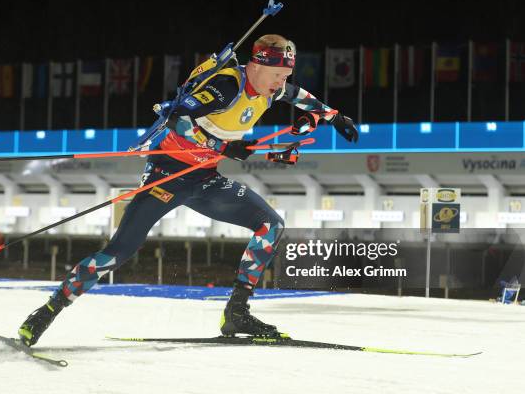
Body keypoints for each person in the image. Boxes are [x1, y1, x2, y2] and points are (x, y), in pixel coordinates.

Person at [18, 34, 358, 346]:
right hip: (167, 176)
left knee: (272, 225)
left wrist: (334, 116)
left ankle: (236, 314)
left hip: (204, 178)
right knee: (118, 252)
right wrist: (223, 147)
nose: (282, 84)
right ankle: (46, 312)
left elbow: (299, 96)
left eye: (285, 75)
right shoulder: (227, 85)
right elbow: (179, 118)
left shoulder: (270, 87)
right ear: (256, 65)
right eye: (277, 76)